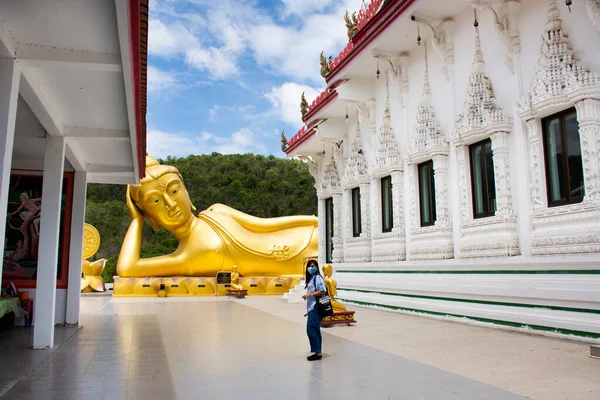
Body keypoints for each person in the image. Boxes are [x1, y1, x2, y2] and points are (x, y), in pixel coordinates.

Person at [117, 155, 318, 278]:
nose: (170, 204)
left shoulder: (216, 211)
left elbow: (265, 225)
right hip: (295, 265)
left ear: (187, 192)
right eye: (155, 201)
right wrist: (136, 220)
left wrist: (316, 221)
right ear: (149, 216)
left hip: (302, 237)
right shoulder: (185, 256)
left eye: (174, 191)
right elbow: (127, 268)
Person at [302, 259, 326, 361]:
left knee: (311, 329)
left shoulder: (317, 278)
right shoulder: (311, 278)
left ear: (316, 267)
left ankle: (317, 352)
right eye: (309, 266)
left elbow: (323, 291)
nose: (311, 268)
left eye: (313, 266)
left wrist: (310, 294)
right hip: (311, 306)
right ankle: (318, 352)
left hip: (316, 306)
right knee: (315, 329)